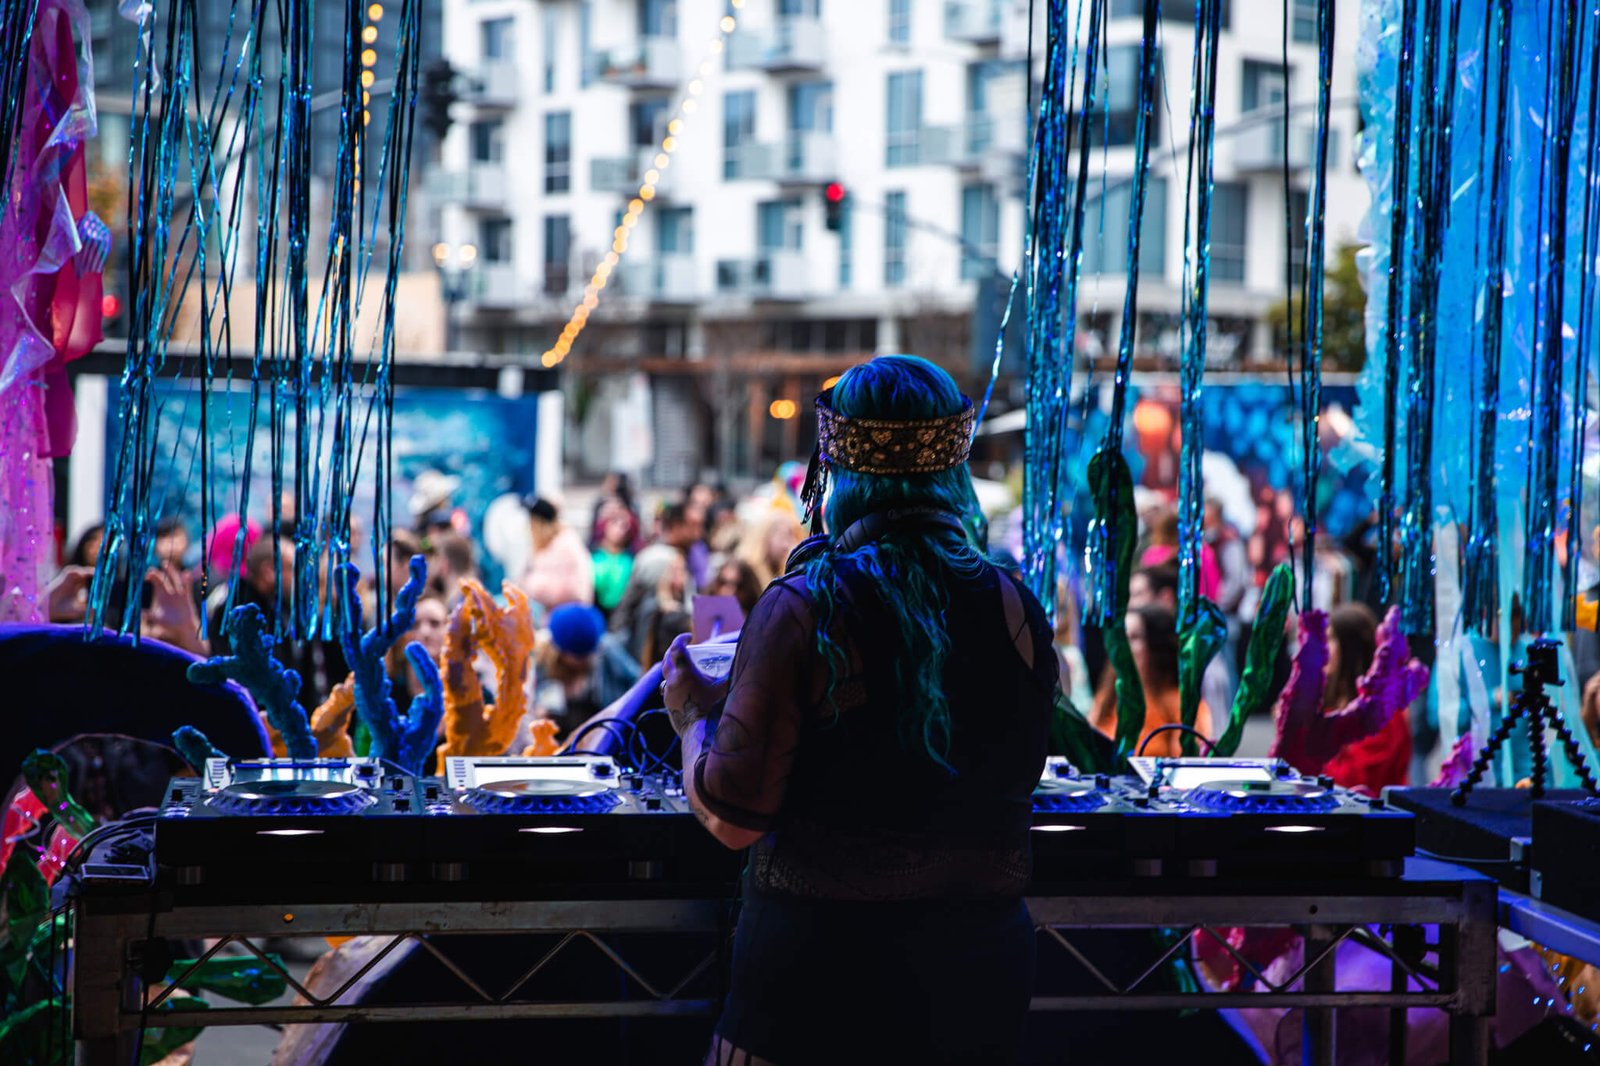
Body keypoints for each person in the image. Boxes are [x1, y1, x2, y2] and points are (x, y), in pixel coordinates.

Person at [660, 355, 1053, 1065]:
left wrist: (692, 719)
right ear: (954, 466)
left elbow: (731, 816)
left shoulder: (805, 605)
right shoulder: (1014, 606)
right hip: (979, 976)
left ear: (835, 466)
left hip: (820, 982)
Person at [1090, 604, 1211, 758]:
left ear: (1157, 647)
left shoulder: (1183, 705)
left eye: (1134, 638)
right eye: (1122, 638)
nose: (1123, 647)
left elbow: (1184, 763)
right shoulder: (1109, 695)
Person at [1319, 602, 1411, 794]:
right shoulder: (1330, 703)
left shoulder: (1383, 715)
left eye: (1330, 639)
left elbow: (1355, 782)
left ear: (1351, 648)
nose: (1323, 648)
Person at [519, 496, 594, 613]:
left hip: (568, 615)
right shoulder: (547, 544)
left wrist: (529, 585)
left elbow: (572, 589)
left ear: (538, 523)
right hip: (553, 613)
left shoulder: (564, 544)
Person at [735, 509, 804, 589]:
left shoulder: (778, 572)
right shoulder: (743, 572)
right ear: (764, 536)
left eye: (792, 538)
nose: (788, 545)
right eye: (784, 536)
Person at [591, 509, 636, 621]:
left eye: (624, 526)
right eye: (614, 523)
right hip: (594, 611)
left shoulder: (629, 559)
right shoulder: (593, 555)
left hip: (620, 615)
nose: (619, 530)